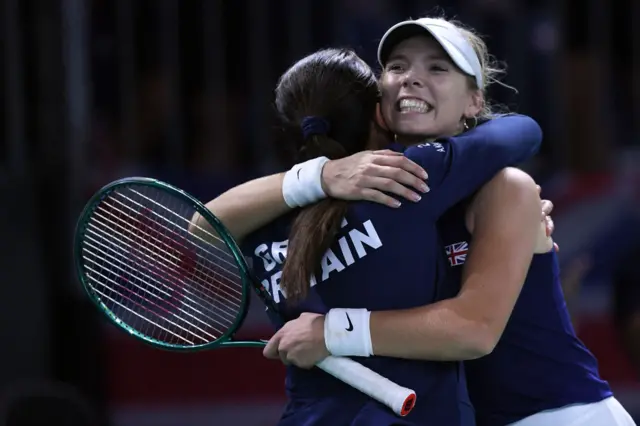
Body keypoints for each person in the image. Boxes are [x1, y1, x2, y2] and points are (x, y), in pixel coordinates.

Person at [201, 16, 636, 426]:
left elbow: (474, 330)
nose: (411, 76)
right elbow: (204, 226)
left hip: (560, 415)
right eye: (396, 65)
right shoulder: (372, 200)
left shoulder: (506, 186)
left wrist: (332, 331)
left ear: (474, 101)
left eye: (438, 68)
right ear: (377, 102)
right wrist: (323, 175)